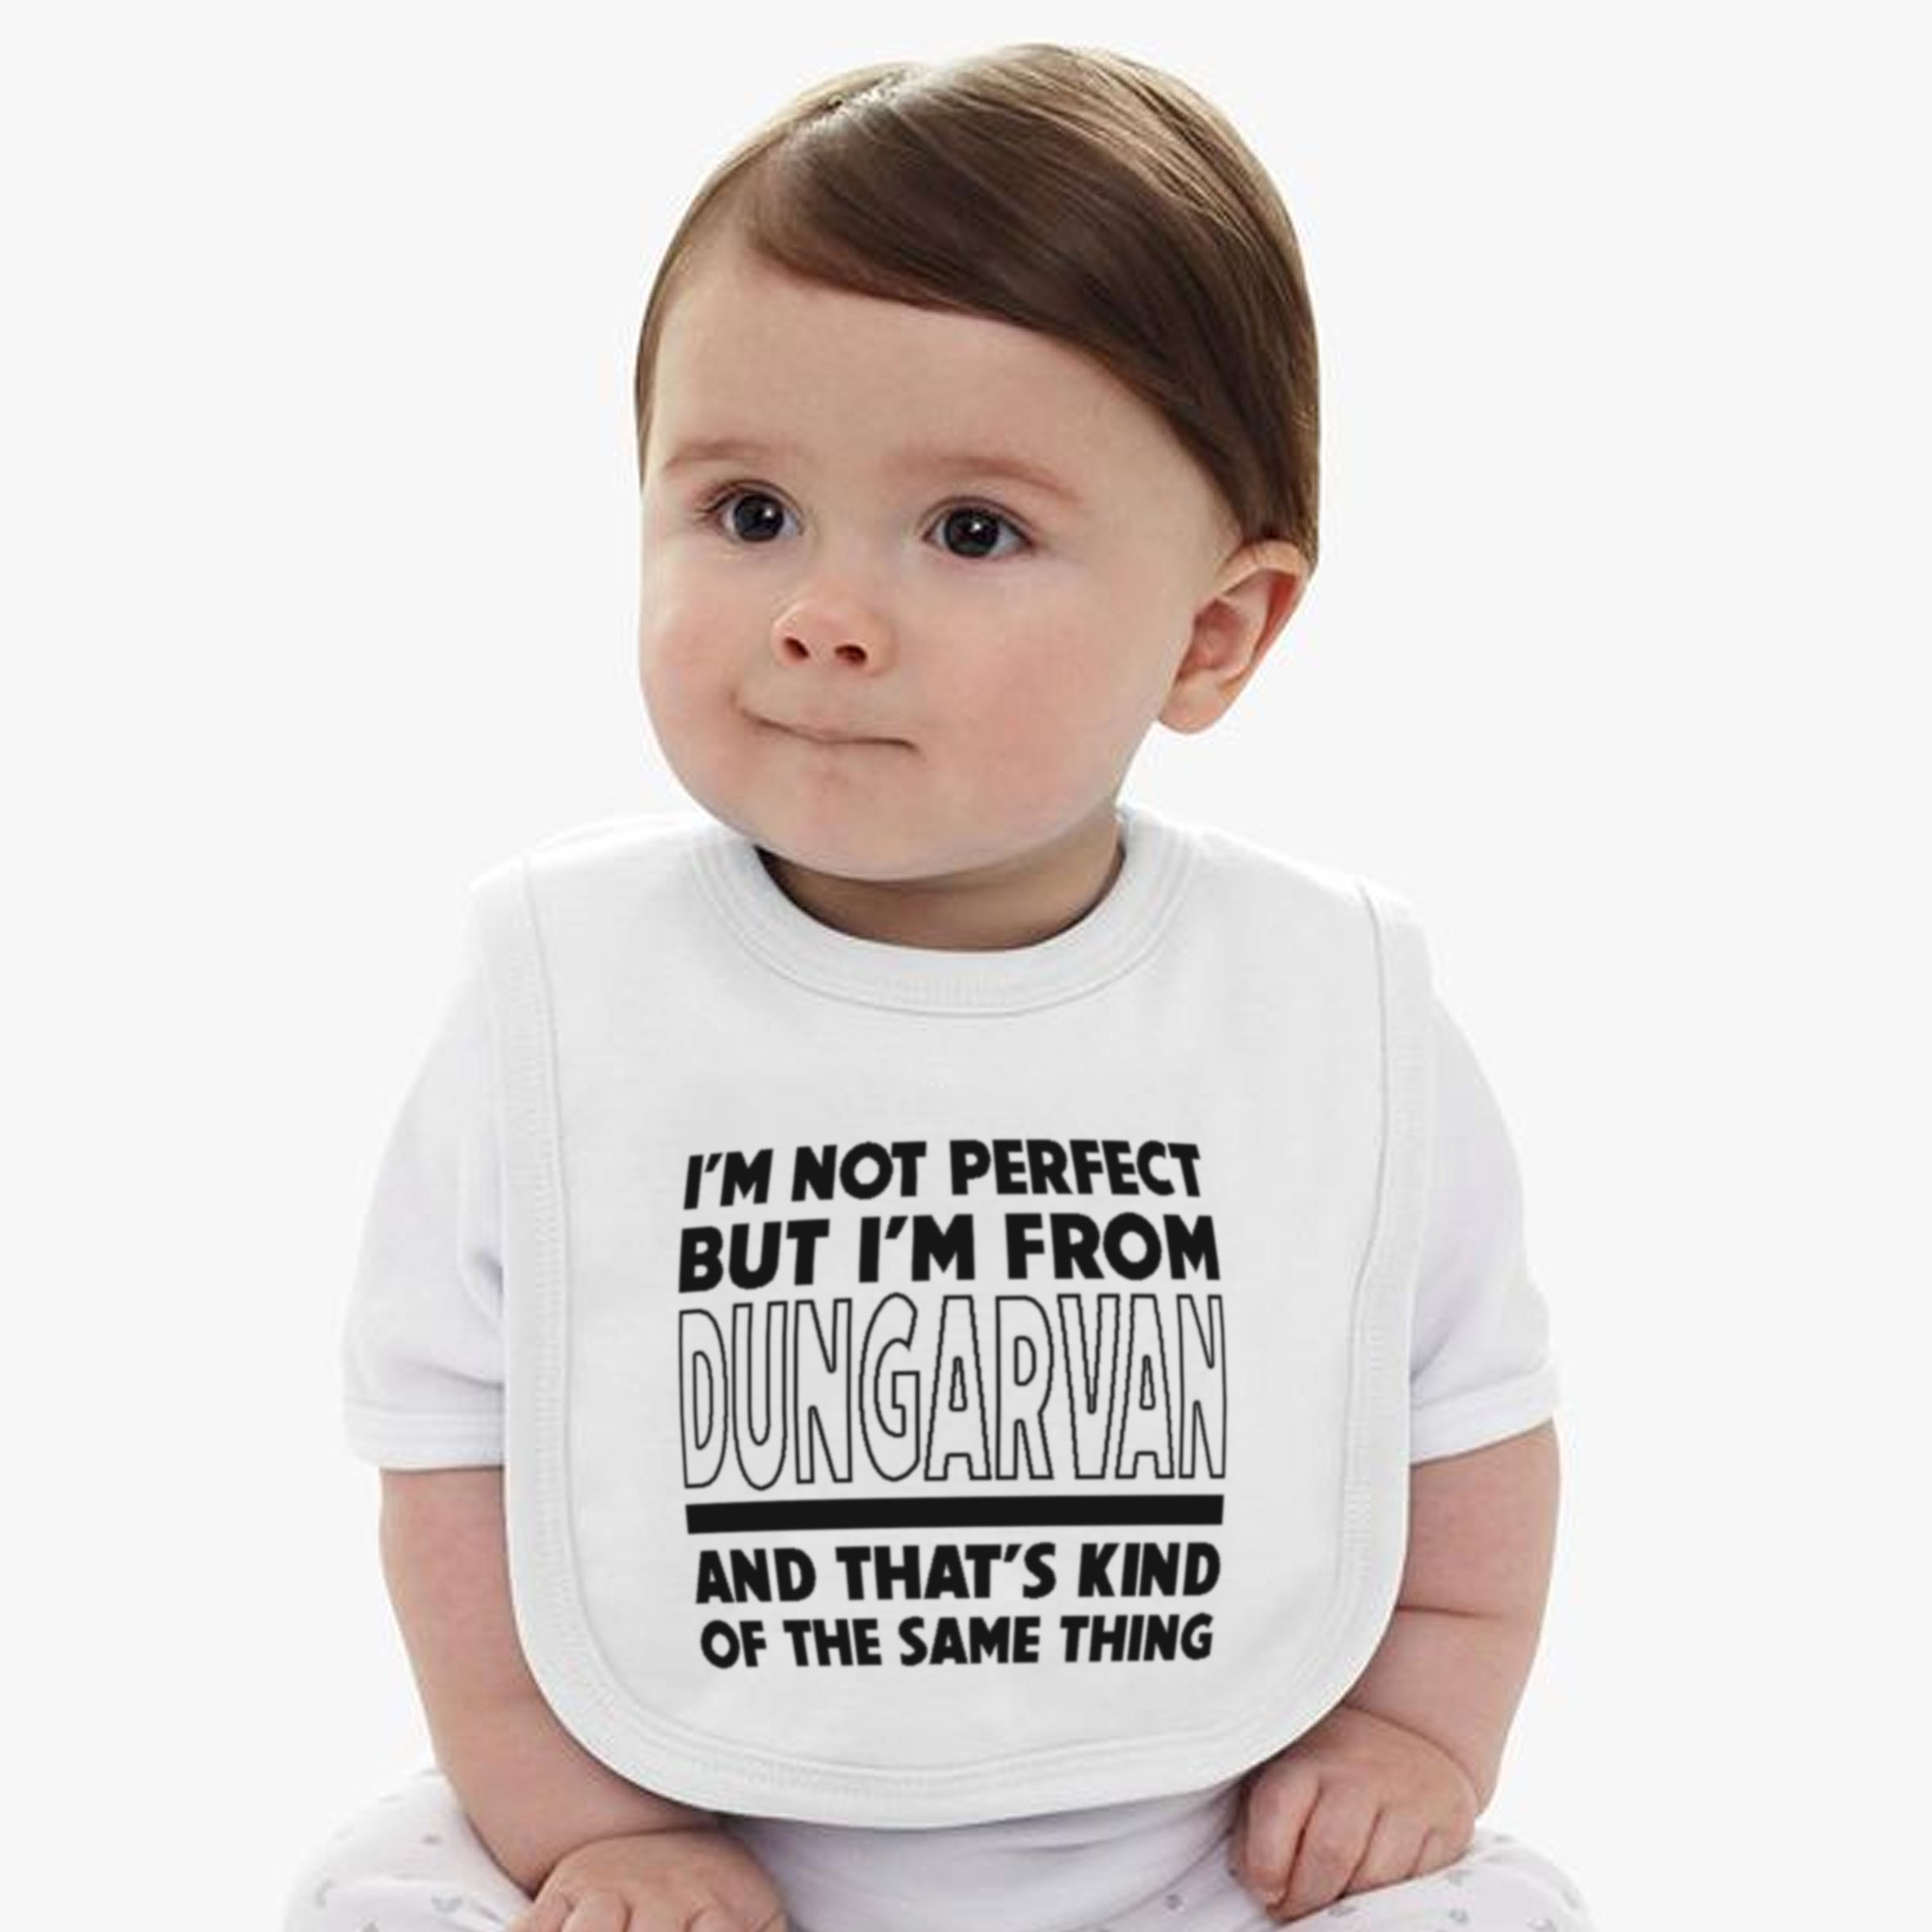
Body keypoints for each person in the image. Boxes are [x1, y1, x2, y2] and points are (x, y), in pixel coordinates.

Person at [285, 41, 1597, 1932]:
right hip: (687, 1828)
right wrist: (590, 1829)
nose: (822, 612)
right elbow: (450, 1443)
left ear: (1213, 630)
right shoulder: (565, 1000)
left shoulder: (1323, 1011)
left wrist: (1410, 1732)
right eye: (748, 511)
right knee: (381, 1892)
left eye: (970, 530)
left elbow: (1460, 1406)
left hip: (1199, 1847)